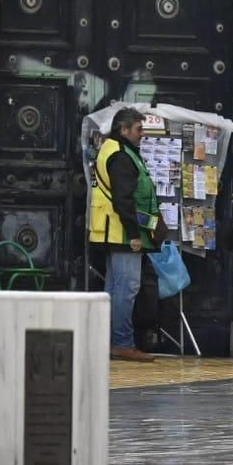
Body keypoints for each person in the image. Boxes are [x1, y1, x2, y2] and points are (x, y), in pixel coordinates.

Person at [89, 107, 162, 362]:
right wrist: (134, 234)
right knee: (127, 288)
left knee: (114, 288)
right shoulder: (121, 155)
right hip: (121, 233)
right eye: (139, 129)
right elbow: (124, 199)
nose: (143, 134)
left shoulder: (116, 150)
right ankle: (122, 342)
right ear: (124, 129)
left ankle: (110, 341)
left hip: (112, 231)